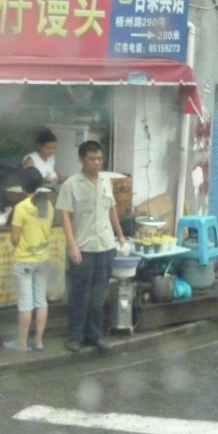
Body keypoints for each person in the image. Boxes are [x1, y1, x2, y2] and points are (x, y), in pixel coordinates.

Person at [55, 140, 128, 353]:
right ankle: (74, 337)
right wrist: (72, 246)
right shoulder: (71, 185)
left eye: (99, 159)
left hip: (105, 246)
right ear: (81, 160)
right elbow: (65, 217)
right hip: (83, 249)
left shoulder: (106, 181)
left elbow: (111, 210)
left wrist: (121, 236)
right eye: (92, 159)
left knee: (99, 295)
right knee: (80, 295)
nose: (97, 163)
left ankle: (94, 336)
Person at [3, 167, 55, 352]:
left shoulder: (21, 208)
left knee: (26, 304)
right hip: (43, 259)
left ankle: (22, 344)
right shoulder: (48, 205)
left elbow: (15, 238)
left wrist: (18, 242)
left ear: (23, 186)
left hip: (24, 261)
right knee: (41, 301)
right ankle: (39, 341)